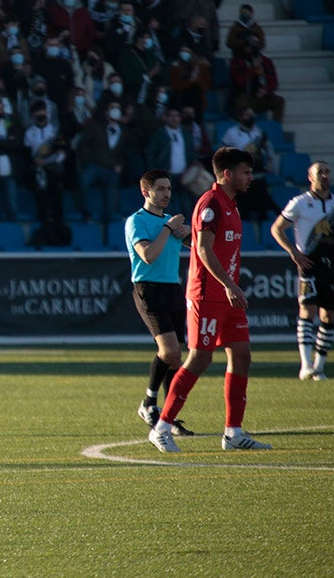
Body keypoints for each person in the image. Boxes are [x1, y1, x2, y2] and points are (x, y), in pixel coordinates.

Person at [148, 147, 272, 453]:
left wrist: (231, 288)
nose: (250, 178)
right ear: (227, 174)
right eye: (245, 172)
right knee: (200, 357)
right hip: (207, 295)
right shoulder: (211, 203)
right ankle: (162, 427)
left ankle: (233, 433)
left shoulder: (230, 204)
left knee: (242, 355)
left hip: (228, 296)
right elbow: (203, 250)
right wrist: (230, 285)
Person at [126, 169, 195, 437]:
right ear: (146, 192)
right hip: (148, 289)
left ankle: (167, 417)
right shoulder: (137, 221)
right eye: (161, 189)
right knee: (168, 352)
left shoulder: (171, 222)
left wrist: (192, 232)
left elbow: (199, 246)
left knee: (177, 358)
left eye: (169, 189)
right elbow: (148, 255)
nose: (167, 194)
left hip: (173, 289)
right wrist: (169, 229)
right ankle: (149, 403)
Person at [270, 161, 334, 381]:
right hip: (308, 263)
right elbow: (277, 228)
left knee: (328, 314)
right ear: (310, 177)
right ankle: (305, 364)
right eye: (320, 172)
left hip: (332, 264)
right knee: (307, 310)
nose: (324, 175)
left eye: (327, 171)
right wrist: (293, 251)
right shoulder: (299, 203)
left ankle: (319, 367)